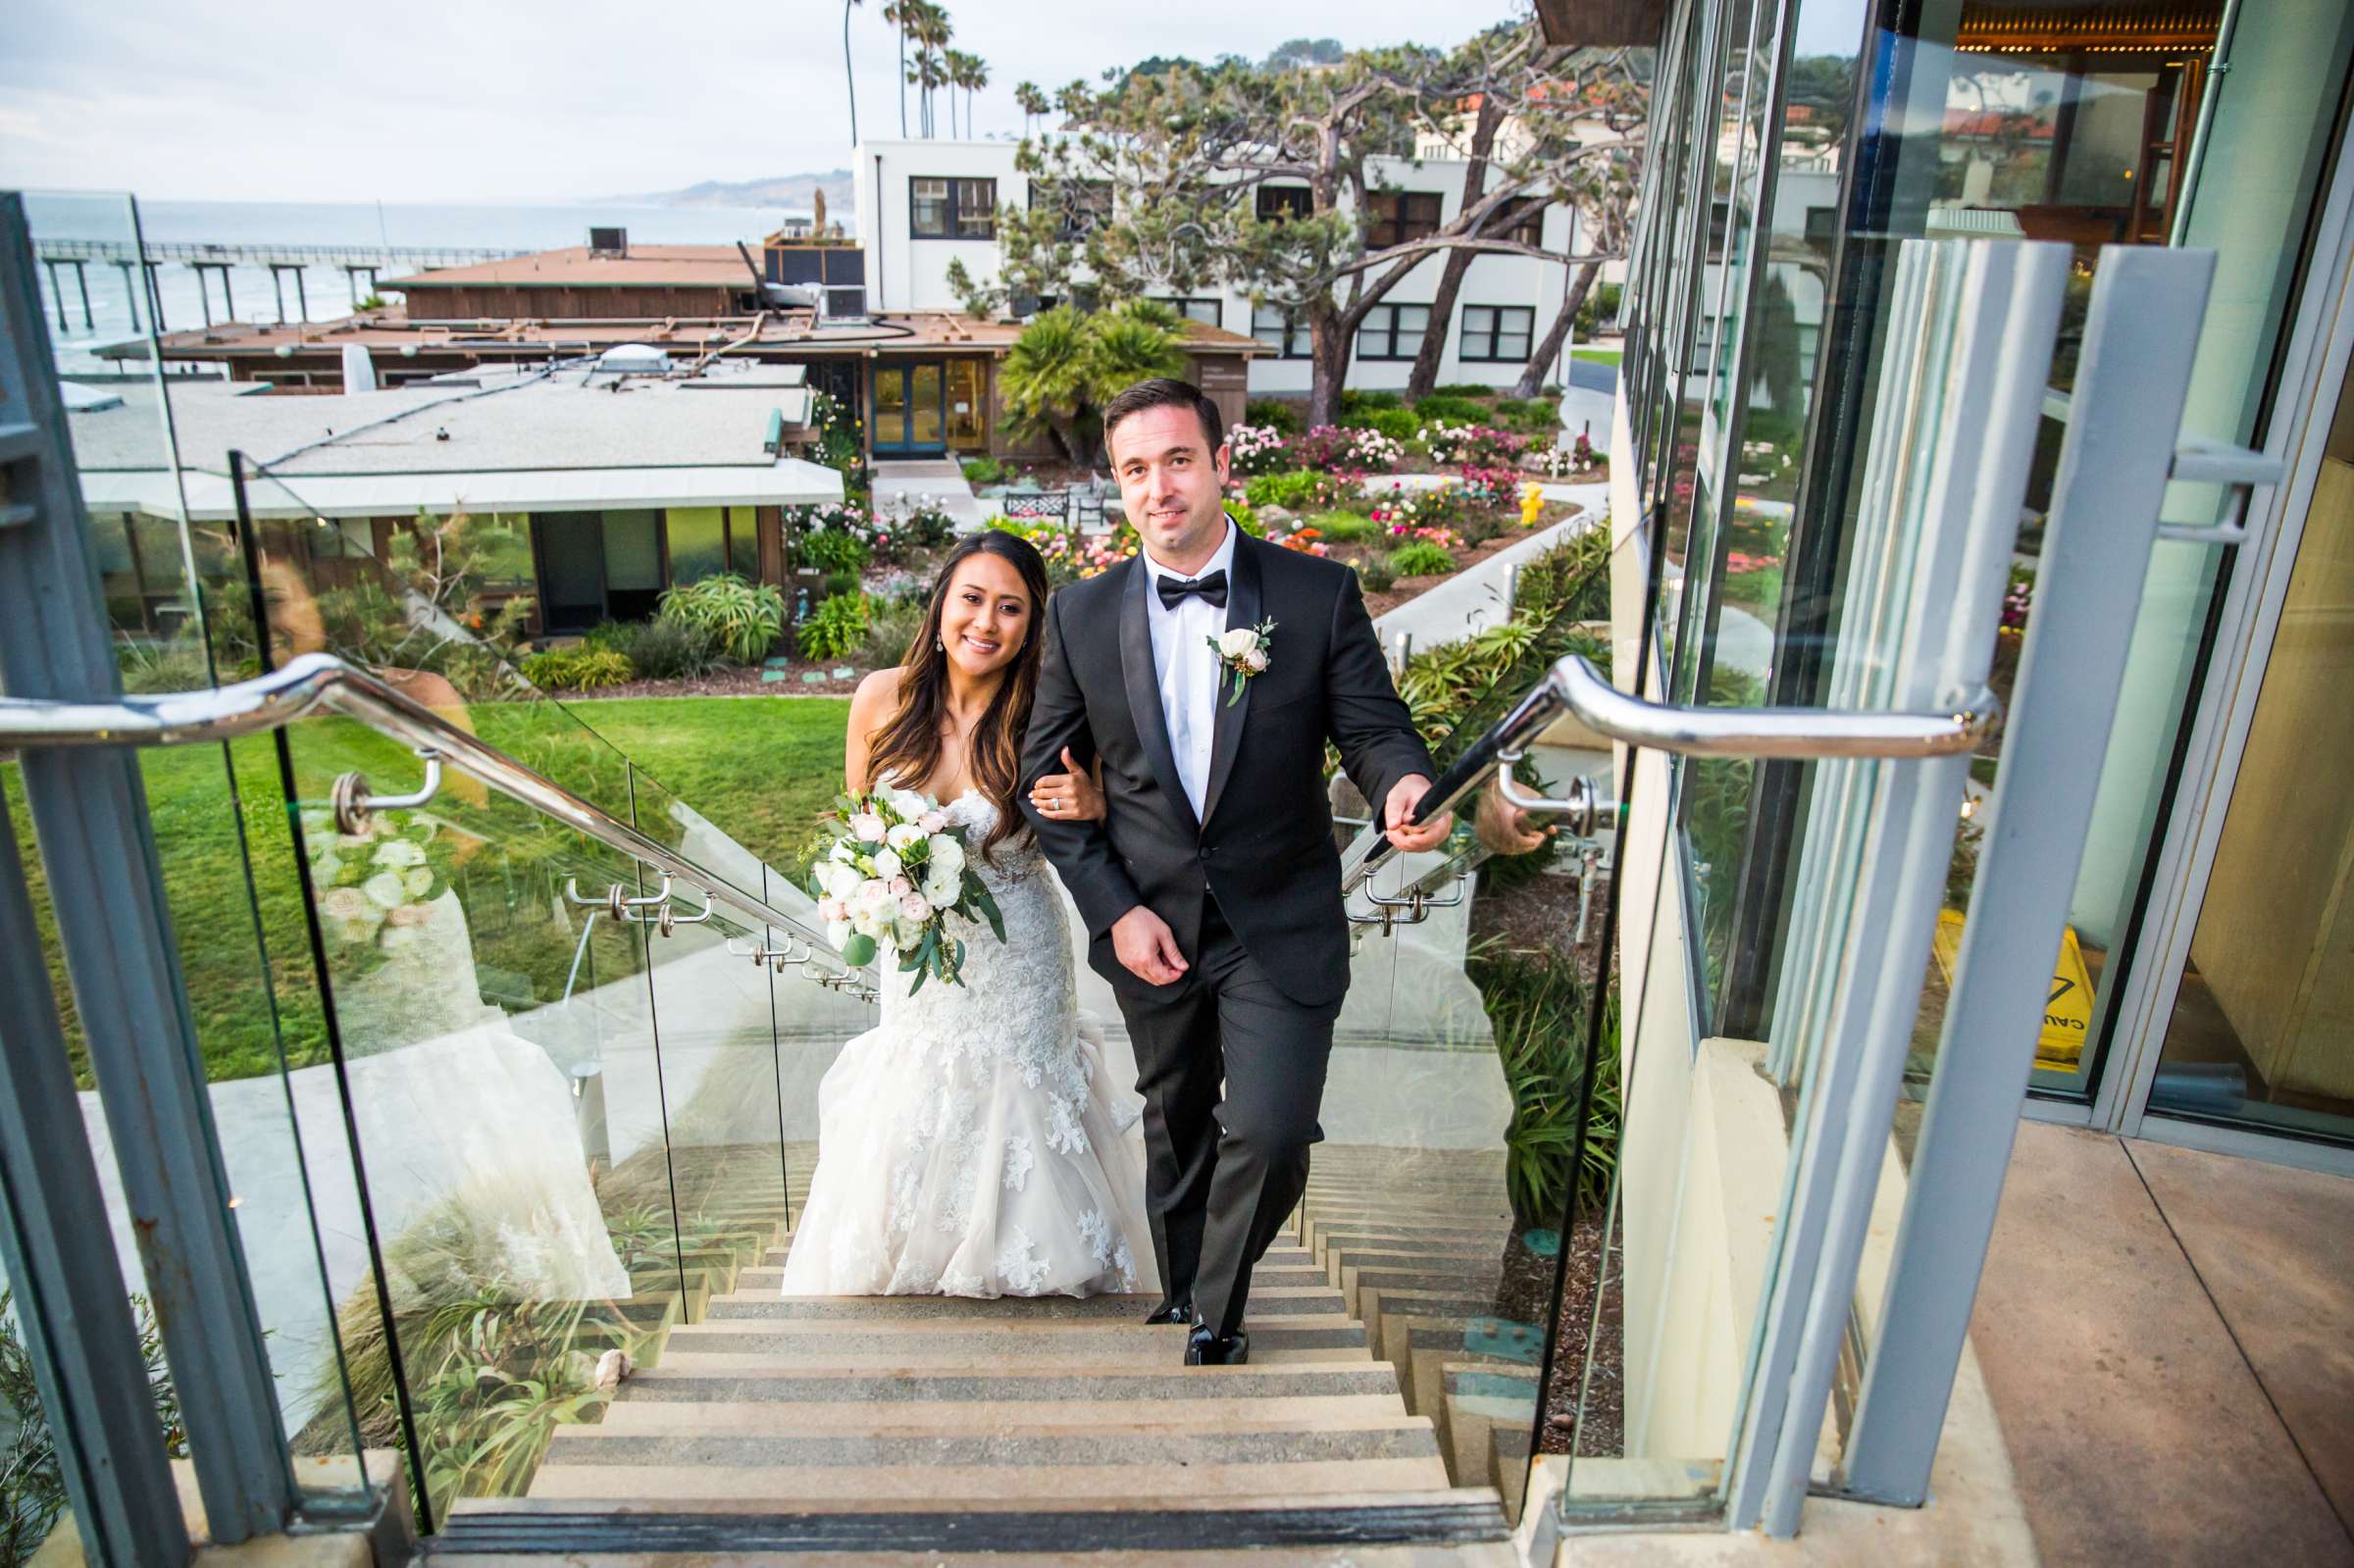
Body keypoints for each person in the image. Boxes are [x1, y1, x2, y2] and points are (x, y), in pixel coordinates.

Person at [1020, 378, 1453, 1366]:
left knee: (1273, 1126)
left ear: (1222, 464)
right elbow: (1048, 786)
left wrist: (1403, 785)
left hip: (1282, 914)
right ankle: (1184, 1292)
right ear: (1117, 487)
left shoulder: (1315, 594)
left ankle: (1217, 1303)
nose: (1159, 487)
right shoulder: (1081, 617)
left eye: (1178, 460)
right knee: (1174, 1121)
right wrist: (1116, 912)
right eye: (1135, 469)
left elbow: (1376, 730)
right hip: (1152, 923)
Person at [779, 531, 1152, 1298]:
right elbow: (863, 827)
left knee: (1017, 1105)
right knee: (915, 1096)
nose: (986, 622)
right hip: (915, 963)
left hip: (1020, 959)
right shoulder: (880, 698)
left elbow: (1131, 809)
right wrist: (871, 890)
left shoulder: (1051, 712)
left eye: (1010, 607)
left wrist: (1097, 803)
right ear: (942, 602)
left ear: (1033, 622)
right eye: (972, 599)